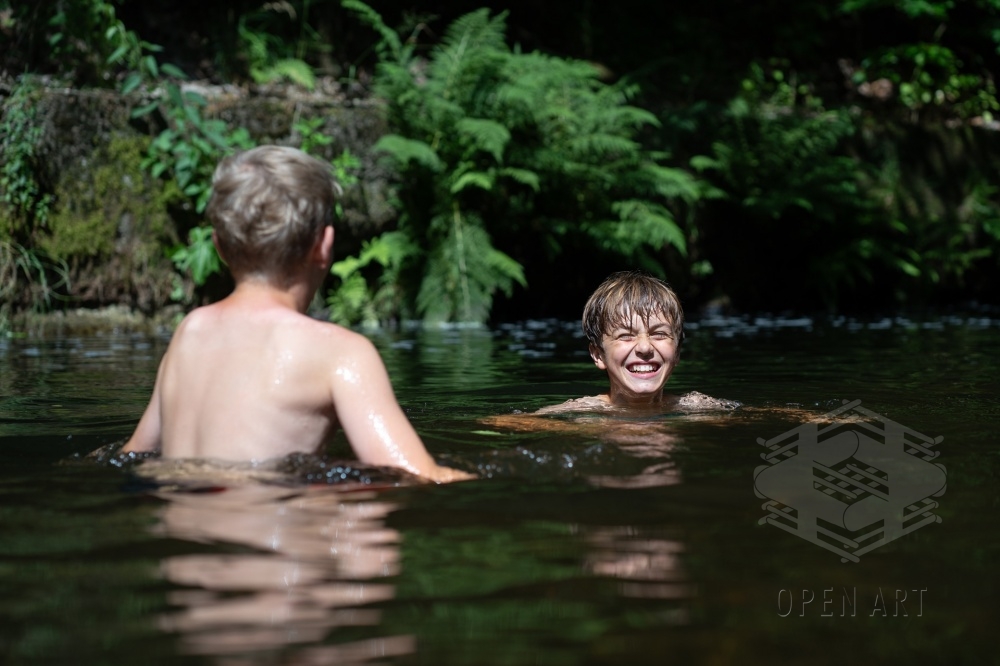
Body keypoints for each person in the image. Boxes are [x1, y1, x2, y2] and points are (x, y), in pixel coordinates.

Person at [123, 145, 472, 483]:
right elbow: (414, 475)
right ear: (324, 245)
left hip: (181, 516)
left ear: (220, 247)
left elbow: (134, 455)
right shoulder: (338, 353)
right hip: (269, 518)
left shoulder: (190, 332)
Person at [534, 270, 736, 414]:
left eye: (659, 334)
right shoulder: (576, 414)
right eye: (625, 336)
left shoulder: (702, 410)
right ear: (598, 355)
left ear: (677, 352)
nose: (645, 347)